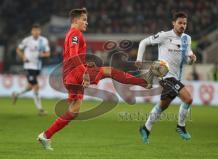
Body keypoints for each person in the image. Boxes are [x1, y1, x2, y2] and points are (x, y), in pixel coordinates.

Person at [37, 8, 158, 151]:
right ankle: (144, 81)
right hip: (75, 73)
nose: (86, 23)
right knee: (110, 71)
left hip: (69, 75)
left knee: (74, 111)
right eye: (84, 19)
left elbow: (73, 56)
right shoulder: (75, 34)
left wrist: (86, 65)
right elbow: (74, 57)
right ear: (75, 20)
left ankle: (46, 135)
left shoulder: (72, 34)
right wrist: (85, 73)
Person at [136, 12, 197, 144]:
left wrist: (192, 59)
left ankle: (145, 128)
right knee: (188, 99)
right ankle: (181, 126)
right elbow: (143, 42)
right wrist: (139, 59)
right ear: (173, 23)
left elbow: (188, 58)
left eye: (185, 23)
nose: (182, 26)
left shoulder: (187, 39)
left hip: (177, 78)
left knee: (162, 106)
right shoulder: (164, 36)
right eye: (180, 23)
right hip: (165, 76)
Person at [12, 24, 50, 116]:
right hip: (29, 66)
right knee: (36, 86)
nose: (36, 32)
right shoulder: (27, 40)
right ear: (31, 31)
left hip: (38, 67)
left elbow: (48, 54)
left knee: (30, 86)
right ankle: (40, 110)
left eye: (37, 30)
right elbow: (18, 49)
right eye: (34, 30)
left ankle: (16, 94)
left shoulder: (44, 40)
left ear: (40, 31)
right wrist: (23, 56)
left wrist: (42, 55)